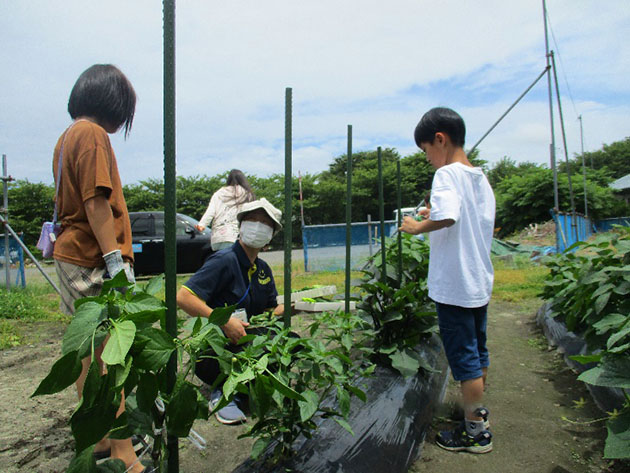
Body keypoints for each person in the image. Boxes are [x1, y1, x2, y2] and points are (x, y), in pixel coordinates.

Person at [52, 64, 152, 472]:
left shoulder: (66, 137)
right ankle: (125, 456)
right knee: (111, 356)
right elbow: (96, 201)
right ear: (111, 102)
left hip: (71, 254)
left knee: (87, 355)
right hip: (91, 257)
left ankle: (99, 440)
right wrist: (115, 261)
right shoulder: (91, 134)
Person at [400, 107, 496, 454]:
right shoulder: (479, 178)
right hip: (478, 283)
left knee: (465, 362)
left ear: (440, 139)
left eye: (426, 151)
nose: (428, 160)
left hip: (454, 287)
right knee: (478, 354)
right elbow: (461, 216)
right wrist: (433, 214)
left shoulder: (445, 176)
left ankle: (475, 431)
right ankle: (477, 416)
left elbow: (449, 216)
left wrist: (417, 225)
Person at [177, 198, 286, 424]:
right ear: (241, 225)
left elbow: (268, 312)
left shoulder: (263, 269)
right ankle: (224, 393)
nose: (257, 226)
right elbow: (184, 297)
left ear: (271, 235)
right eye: (252, 220)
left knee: (286, 339)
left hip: (243, 342)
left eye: (265, 224)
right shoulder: (224, 260)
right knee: (253, 347)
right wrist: (223, 321)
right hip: (216, 349)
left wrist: (292, 307)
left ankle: (249, 388)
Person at [196, 169, 255, 251]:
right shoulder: (247, 195)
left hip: (218, 238)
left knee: (222, 262)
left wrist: (202, 225)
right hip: (236, 237)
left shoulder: (219, 193)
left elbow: (210, 212)